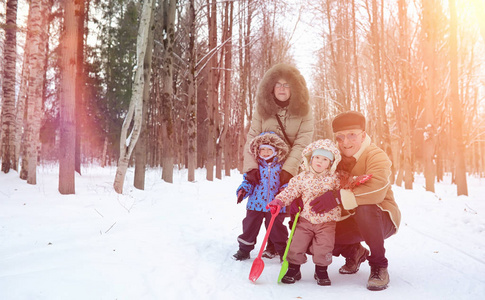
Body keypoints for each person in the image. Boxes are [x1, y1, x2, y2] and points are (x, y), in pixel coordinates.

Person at [309, 111, 401, 291]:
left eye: (352, 135)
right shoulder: (333, 158)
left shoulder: (376, 155)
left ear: (363, 135)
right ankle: (354, 252)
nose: (346, 142)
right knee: (312, 235)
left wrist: (337, 198)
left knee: (365, 207)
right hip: (349, 218)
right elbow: (314, 178)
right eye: (340, 137)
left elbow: (376, 190)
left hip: (381, 217)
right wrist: (300, 198)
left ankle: (379, 265)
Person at [242, 63, 314, 258]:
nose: (282, 88)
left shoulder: (305, 112)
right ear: (271, 88)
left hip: (290, 168)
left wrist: (289, 170)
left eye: (287, 84)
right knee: (261, 207)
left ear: (295, 88)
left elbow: (302, 142)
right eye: (278, 84)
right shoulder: (262, 110)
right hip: (265, 169)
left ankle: (283, 244)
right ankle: (267, 244)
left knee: (285, 209)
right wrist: (250, 167)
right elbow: (252, 138)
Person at [267, 139, 342, 286]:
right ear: (311, 158)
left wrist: (355, 182)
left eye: (325, 159)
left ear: (331, 163)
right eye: (317, 157)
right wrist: (279, 201)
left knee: (324, 246)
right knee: (296, 244)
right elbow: (290, 191)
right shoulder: (302, 178)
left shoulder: (335, 179)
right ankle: (294, 269)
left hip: (327, 222)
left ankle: (321, 270)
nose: (319, 161)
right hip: (305, 219)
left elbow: (346, 189)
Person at [233, 132, 290, 261]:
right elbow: (248, 181)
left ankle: (283, 252)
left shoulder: (282, 167)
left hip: (275, 205)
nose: (265, 152)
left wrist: (284, 191)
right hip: (255, 204)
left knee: (277, 229)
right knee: (249, 227)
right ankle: (244, 250)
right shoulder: (255, 166)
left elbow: (287, 183)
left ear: (276, 151)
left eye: (268, 149)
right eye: (262, 149)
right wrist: (242, 190)